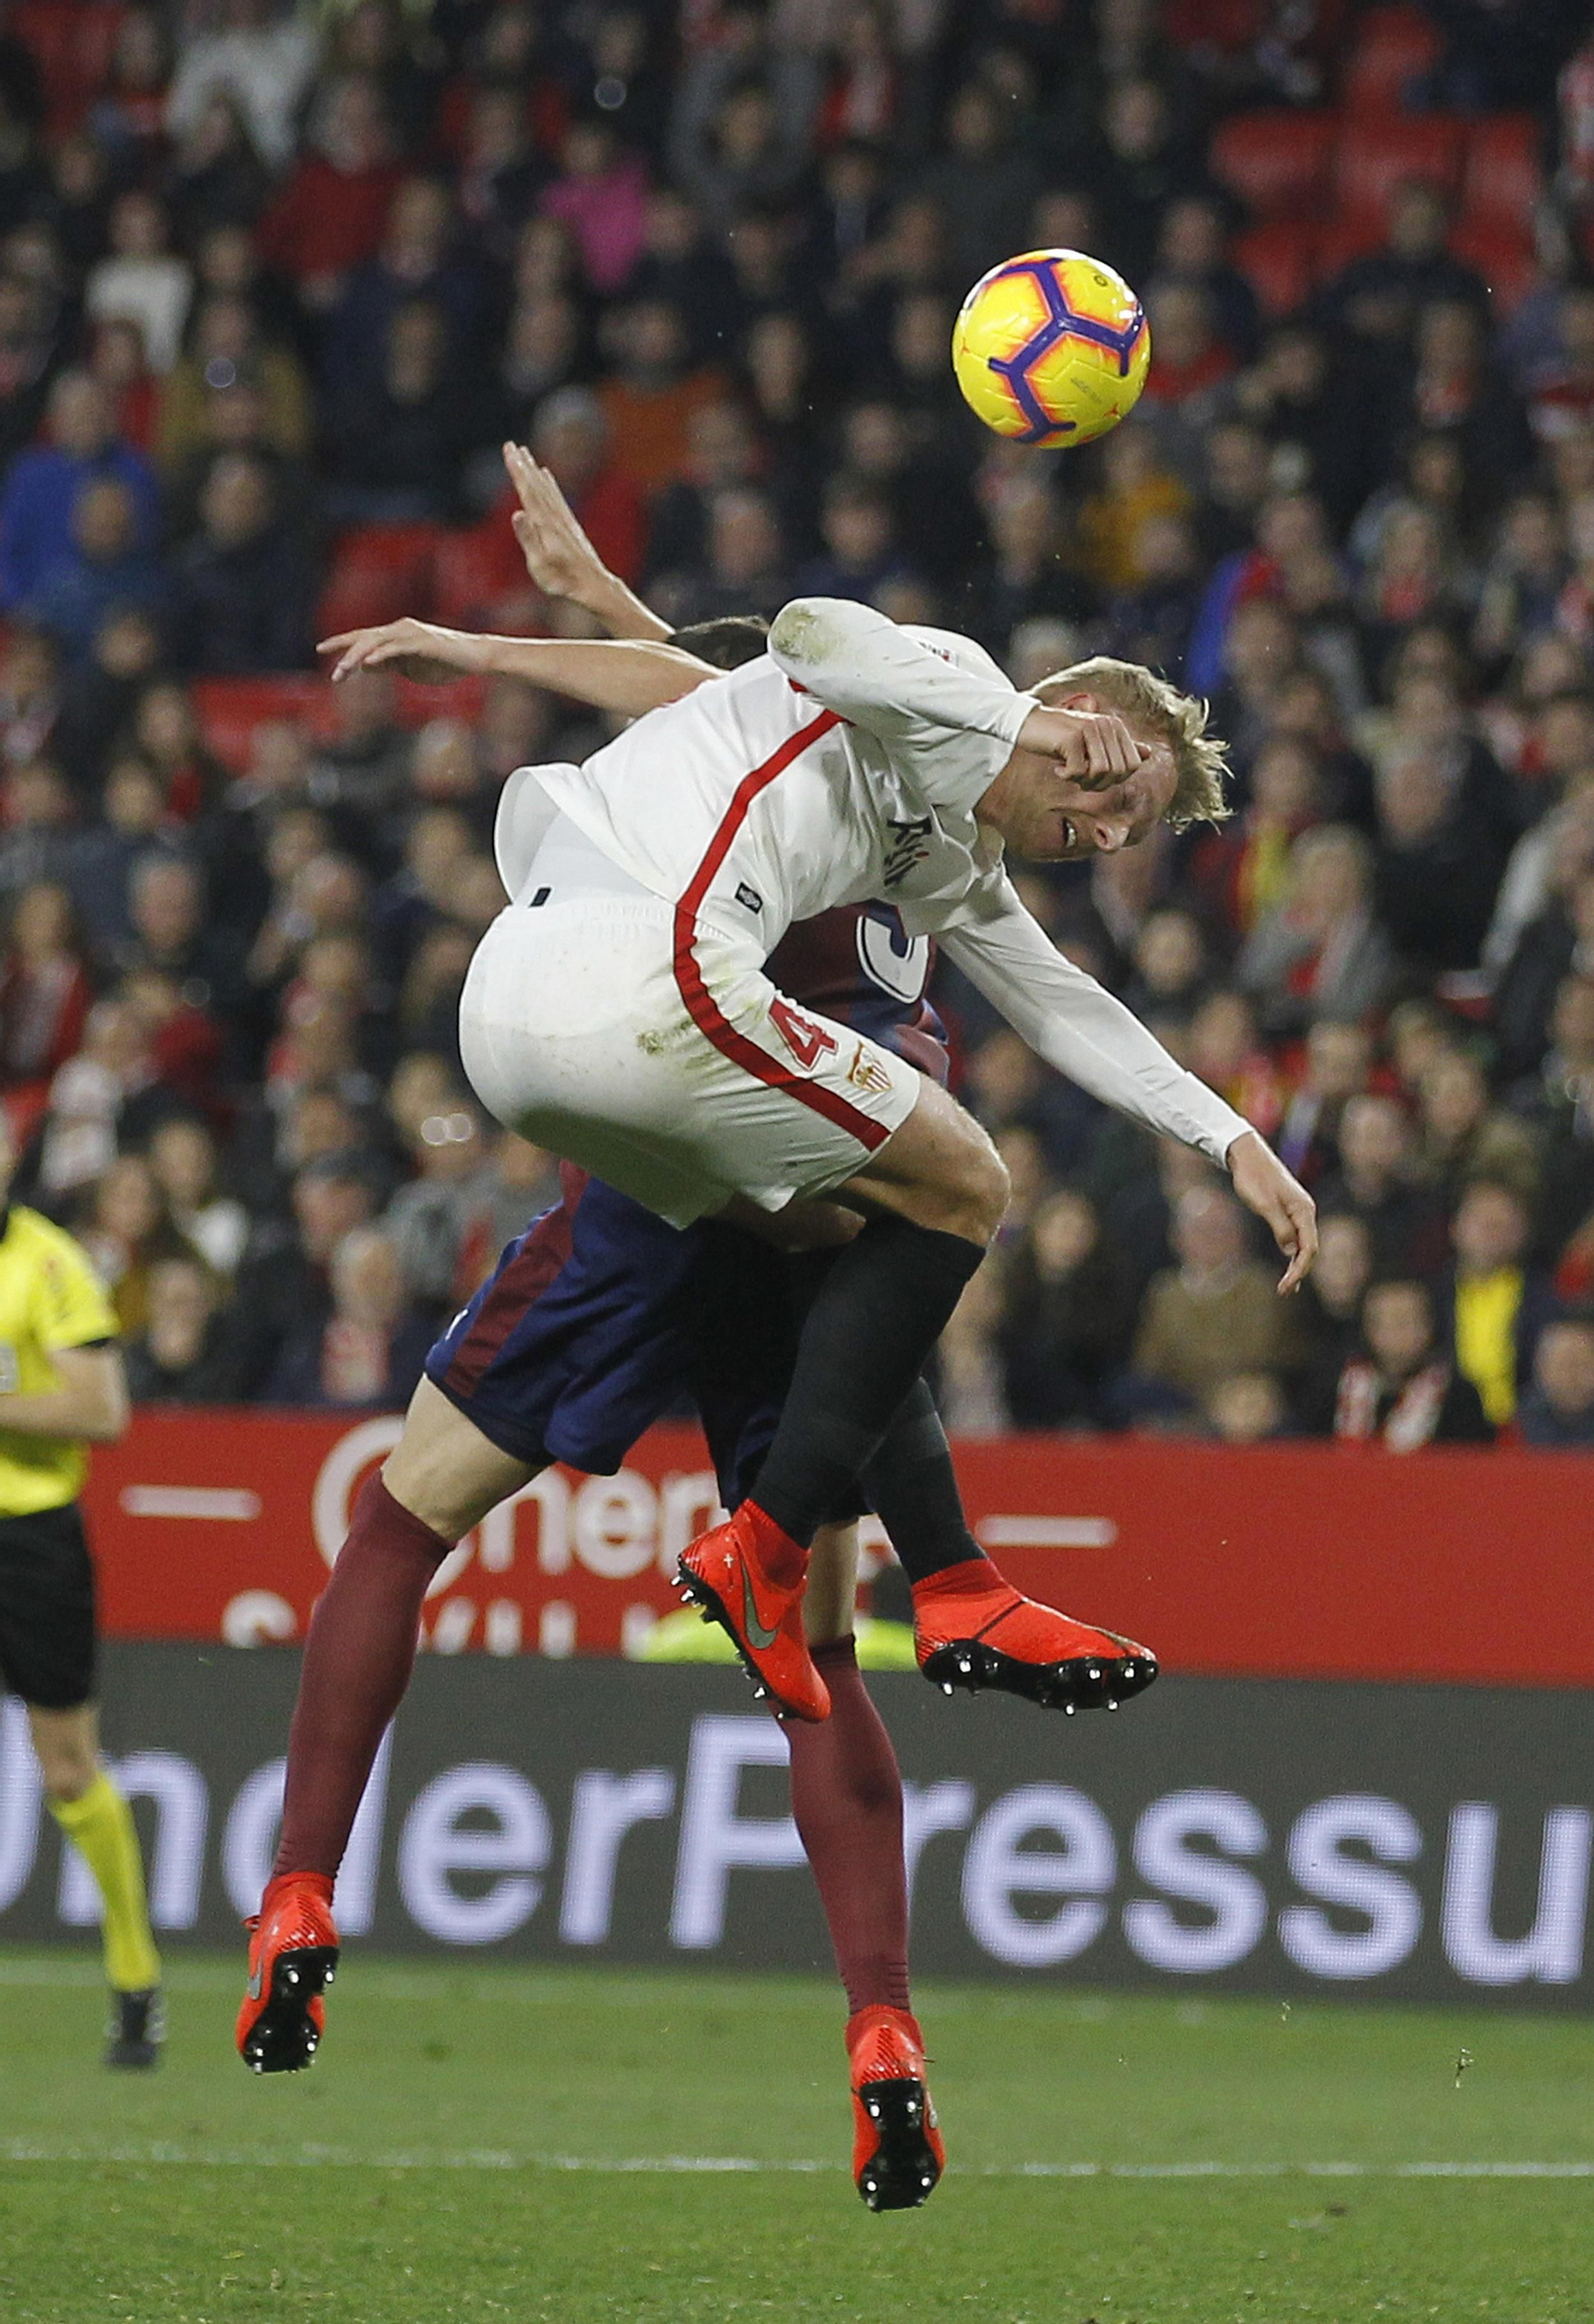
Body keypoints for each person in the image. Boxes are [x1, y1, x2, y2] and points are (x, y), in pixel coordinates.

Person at [238, 448, 1314, 2204]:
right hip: (699, 1075)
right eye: (1109, 798)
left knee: (405, 1512)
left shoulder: (926, 848)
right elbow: (799, 649)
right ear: (1059, 725)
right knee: (886, 1354)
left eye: (1127, 828)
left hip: (645, 1152)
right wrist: (539, 632)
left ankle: (298, 1887)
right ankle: (896, 1907)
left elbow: (730, 697)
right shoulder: (932, 726)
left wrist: (1229, 1133)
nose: (1107, 833)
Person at [0, 1114, 161, 2065]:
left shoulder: (48, 1263)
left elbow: (102, 1408)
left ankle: (135, 1977)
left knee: (66, 1768)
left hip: (29, 1539)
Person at [1334, 1277, 1494, 1449]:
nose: (1397, 1334)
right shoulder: (1335, 1387)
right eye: (1388, 1322)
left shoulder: (1460, 1398)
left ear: (1429, 1327)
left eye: (1406, 1321)